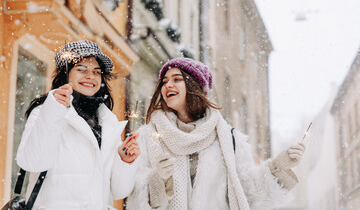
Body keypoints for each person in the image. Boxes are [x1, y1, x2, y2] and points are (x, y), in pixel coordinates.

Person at [126, 58, 306, 210]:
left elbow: (251, 194)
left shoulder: (228, 138)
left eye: (176, 79)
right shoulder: (149, 137)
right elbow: (138, 202)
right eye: (164, 81)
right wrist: (159, 180)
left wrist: (278, 167)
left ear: (194, 86)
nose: (168, 85)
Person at [16, 40, 140, 209]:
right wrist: (53, 111)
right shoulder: (45, 111)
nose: (91, 76)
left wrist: (125, 162)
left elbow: (118, 191)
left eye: (97, 72)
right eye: (82, 69)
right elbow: (32, 162)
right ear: (65, 74)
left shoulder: (107, 122)